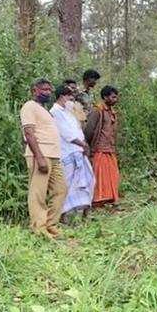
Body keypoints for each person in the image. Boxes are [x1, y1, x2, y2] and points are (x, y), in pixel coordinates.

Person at [20, 79, 67, 238]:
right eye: (44, 89)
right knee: (38, 193)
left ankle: (50, 225)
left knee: (61, 189)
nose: (48, 92)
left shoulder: (43, 110)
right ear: (35, 90)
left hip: (54, 156)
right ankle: (38, 228)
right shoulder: (29, 106)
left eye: (49, 90)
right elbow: (29, 133)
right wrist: (39, 157)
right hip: (40, 154)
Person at [50, 85, 95, 221]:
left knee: (88, 180)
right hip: (68, 153)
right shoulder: (55, 112)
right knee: (68, 185)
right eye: (70, 96)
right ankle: (64, 216)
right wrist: (83, 144)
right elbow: (66, 134)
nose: (72, 99)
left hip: (78, 151)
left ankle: (85, 214)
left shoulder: (68, 112)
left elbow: (78, 130)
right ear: (62, 96)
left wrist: (83, 145)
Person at [85, 85, 121, 207]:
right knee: (100, 177)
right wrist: (88, 147)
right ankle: (98, 202)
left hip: (110, 149)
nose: (116, 99)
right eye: (113, 97)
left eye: (116, 97)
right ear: (105, 97)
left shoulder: (112, 112)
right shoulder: (97, 110)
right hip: (99, 150)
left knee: (112, 176)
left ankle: (110, 200)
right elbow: (89, 130)